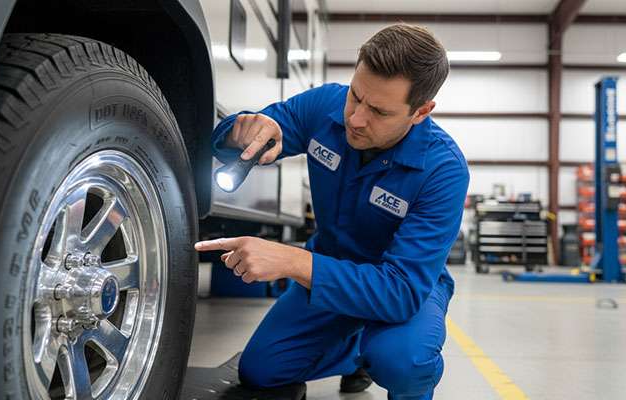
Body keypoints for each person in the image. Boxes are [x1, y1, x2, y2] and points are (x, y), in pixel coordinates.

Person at [195, 24, 469, 400]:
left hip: (401, 283)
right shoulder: (326, 106)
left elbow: (401, 292)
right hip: (330, 268)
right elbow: (259, 134)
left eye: (378, 111)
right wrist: (239, 131)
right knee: (261, 370)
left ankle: (384, 362)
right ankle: (357, 355)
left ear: (421, 111)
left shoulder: (443, 170)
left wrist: (293, 262)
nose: (355, 118)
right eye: (356, 96)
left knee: (403, 360)